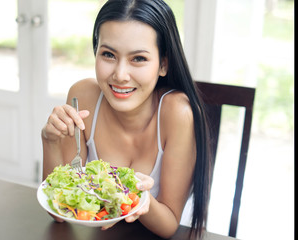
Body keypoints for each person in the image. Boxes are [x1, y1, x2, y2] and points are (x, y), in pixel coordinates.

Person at [42, 0, 212, 238]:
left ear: (163, 64)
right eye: (108, 54)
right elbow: (59, 212)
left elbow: (170, 225)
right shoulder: (83, 97)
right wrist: (49, 141)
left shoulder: (178, 113)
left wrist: (138, 198)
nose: (120, 75)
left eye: (138, 58)